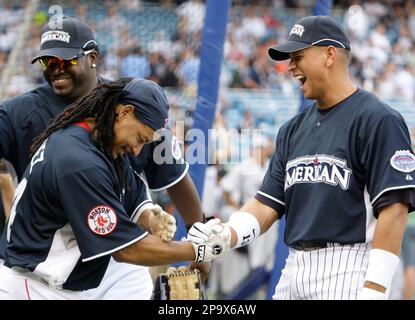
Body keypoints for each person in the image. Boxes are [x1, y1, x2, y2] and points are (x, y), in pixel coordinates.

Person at [187, 15, 415, 300]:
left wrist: (376, 287)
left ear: (329, 54)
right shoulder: (292, 129)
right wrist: (226, 234)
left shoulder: (378, 120)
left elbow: (394, 209)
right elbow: (265, 205)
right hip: (294, 265)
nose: (290, 66)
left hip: (349, 268)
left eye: (298, 56)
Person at [0, 16, 207, 299]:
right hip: (47, 263)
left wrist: (178, 227)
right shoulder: (19, 114)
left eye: (66, 61)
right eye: (49, 62)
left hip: (113, 251)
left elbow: (174, 178)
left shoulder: (130, 109)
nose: (56, 69)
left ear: (93, 57)